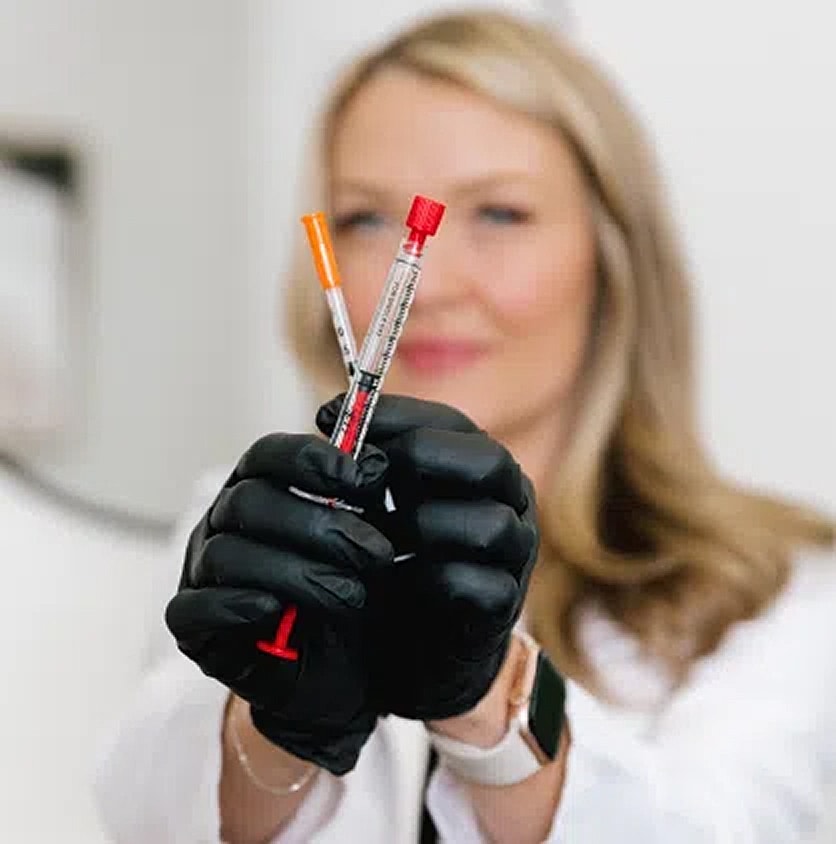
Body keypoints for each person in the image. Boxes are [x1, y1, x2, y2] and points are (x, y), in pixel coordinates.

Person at [93, 9, 836, 844]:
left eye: (501, 215)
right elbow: (156, 820)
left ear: (614, 256)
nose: (434, 283)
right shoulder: (256, 524)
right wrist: (272, 724)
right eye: (366, 219)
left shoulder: (777, 585)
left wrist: (491, 692)